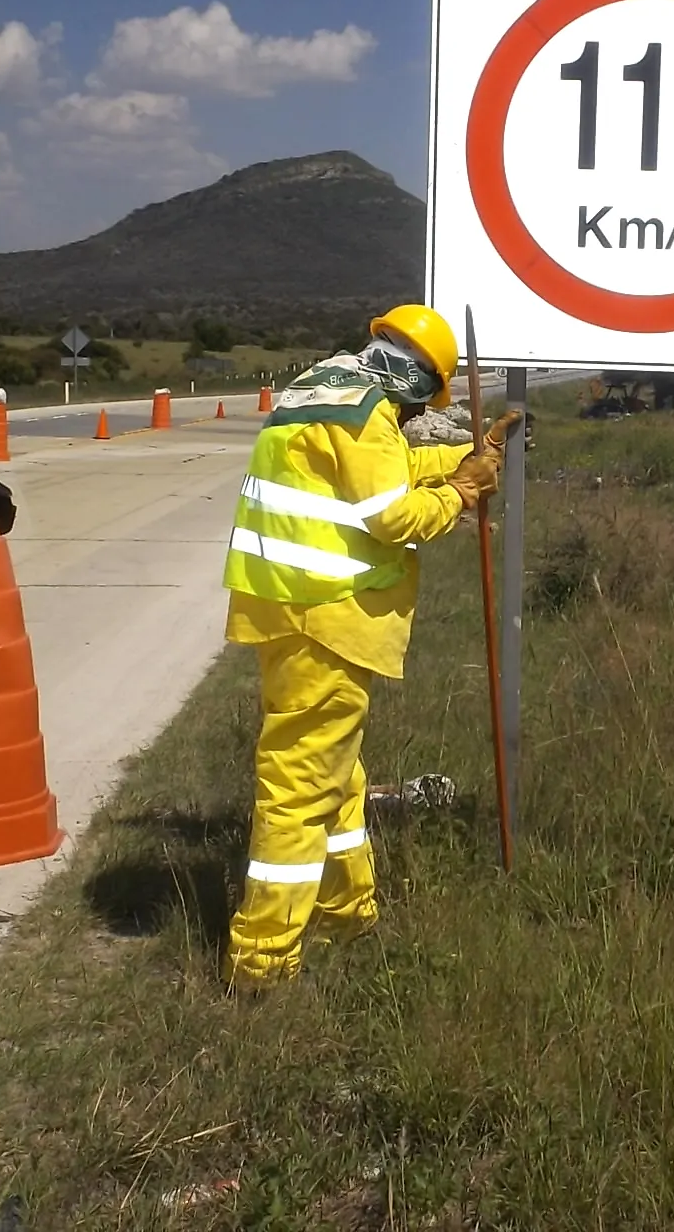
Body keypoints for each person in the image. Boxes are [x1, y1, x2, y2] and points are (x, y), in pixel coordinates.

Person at [220, 303, 519, 989]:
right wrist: (464, 492)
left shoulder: (322, 386)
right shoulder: (368, 411)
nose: (419, 411)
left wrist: (472, 457)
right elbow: (393, 513)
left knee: (338, 777)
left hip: (281, 606)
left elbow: (384, 467)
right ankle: (262, 964)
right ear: (421, 382)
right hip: (329, 616)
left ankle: (349, 913)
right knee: (298, 789)